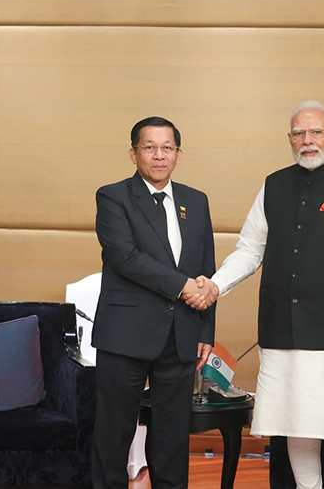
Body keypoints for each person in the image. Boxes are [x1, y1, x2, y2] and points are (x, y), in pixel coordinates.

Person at [198, 100, 324, 489]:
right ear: (290, 139)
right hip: (282, 331)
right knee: (297, 426)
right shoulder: (273, 184)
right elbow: (249, 250)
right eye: (298, 134)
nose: (307, 141)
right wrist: (215, 284)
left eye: (316, 132)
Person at [91, 116, 219, 489]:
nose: (159, 156)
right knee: (113, 435)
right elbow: (125, 258)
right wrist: (183, 287)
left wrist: (204, 328)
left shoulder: (196, 201)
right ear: (134, 154)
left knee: (172, 439)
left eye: (167, 148)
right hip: (125, 336)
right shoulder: (113, 196)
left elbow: (205, 270)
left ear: (178, 154)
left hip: (180, 335)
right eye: (149, 147)